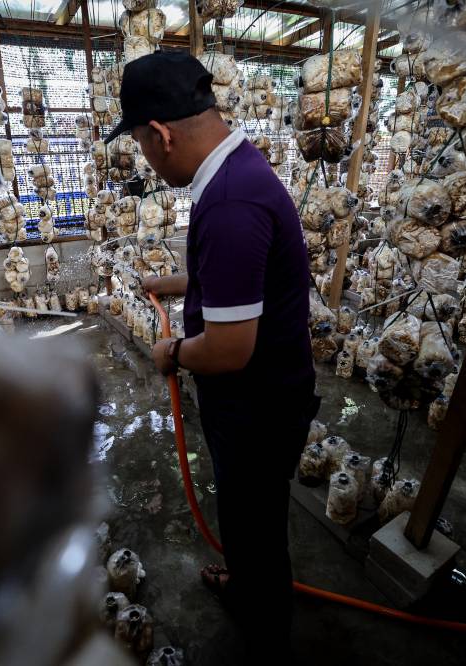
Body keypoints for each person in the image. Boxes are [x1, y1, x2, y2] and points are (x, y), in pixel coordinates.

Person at [104, 52, 319, 660]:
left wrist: (172, 349)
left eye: (142, 144)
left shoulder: (228, 203)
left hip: (257, 407)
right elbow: (234, 280)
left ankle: (264, 628)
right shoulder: (238, 171)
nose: (145, 158)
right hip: (261, 400)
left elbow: (227, 348)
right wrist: (178, 284)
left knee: (256, 525)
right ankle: (249, 583)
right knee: (249, 521)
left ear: (163, 135)